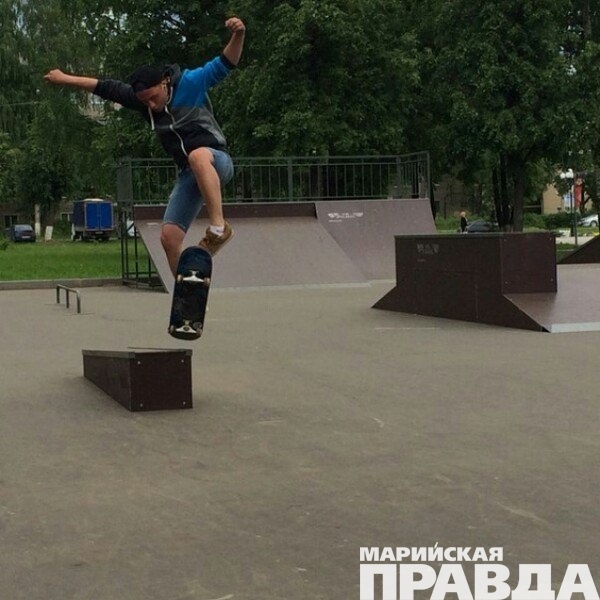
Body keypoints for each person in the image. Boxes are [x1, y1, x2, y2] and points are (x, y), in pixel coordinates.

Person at [44, 16, 246, 276]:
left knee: (197, 156)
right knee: (169, 238)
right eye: (144, 101)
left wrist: (238, 34)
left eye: (153, 98)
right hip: (190, 175)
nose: (151, 105)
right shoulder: (140, 100)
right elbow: (104, 87)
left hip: (217, 161)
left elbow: (226, 63)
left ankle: (219, 228)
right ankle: (185, 290)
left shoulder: (191, 82)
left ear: (164, 82)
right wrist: (64, 78)